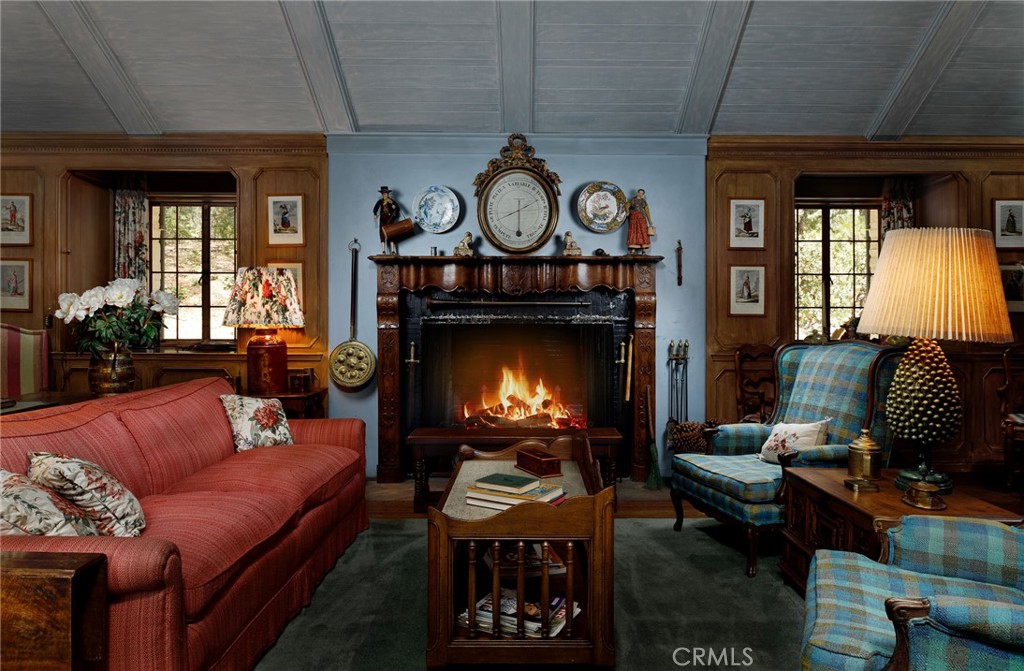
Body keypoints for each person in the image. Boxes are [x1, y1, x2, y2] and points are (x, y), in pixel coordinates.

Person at [373, 186, 401, 253]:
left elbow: (397, 209)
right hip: (383, 219)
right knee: (382, 233)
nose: (385, 195)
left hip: (390, 219)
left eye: (386, 193)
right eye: (384, 193)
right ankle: (383, 250)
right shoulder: (380, 201)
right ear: (382, 194)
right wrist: (375, 214)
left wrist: (394, 214)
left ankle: (393, 250)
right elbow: (375, 209)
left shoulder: (391, 201)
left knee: (391, 233)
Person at [626, 189, 654, 255]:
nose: (640, 194)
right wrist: (627, 212)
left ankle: (643, 250)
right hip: (633, 217)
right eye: (639, 193)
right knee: (633, 232)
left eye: (642, 193)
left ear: (643, 194)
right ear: (637, 193)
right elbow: (627, 205)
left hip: (641, 218)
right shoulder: (632, 200)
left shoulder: (643, 201)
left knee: (643, 232)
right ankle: (633, 249)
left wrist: (649, 220)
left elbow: (647, 211)